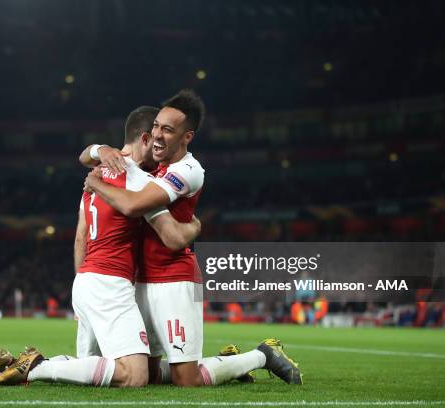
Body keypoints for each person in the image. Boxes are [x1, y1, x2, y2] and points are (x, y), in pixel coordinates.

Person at [83, 89, 302, 386]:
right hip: (142, 279)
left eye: (168, 130)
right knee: (146, 375)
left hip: (173, 279)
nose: (158, 135)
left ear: (187, 137)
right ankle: (228, 362)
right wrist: (99, 149)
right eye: (156, 126)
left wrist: (95, 183)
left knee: (187, 379)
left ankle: (262, 355)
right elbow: (87, 156)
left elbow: (139, 211)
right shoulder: (153, 165)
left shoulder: (187, 170)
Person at [0, 106, 202, 387]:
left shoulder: (97, 175)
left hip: (86, 280)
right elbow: (172, 236)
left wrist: (98, 150)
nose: (161, 151)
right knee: (136, 376)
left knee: (90, 369)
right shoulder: (139, 181)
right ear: (146, 138)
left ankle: (22, 363)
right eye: (157, 137)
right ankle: (37, 366)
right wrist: (196, 226)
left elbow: (80, 237)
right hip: (110, 282)